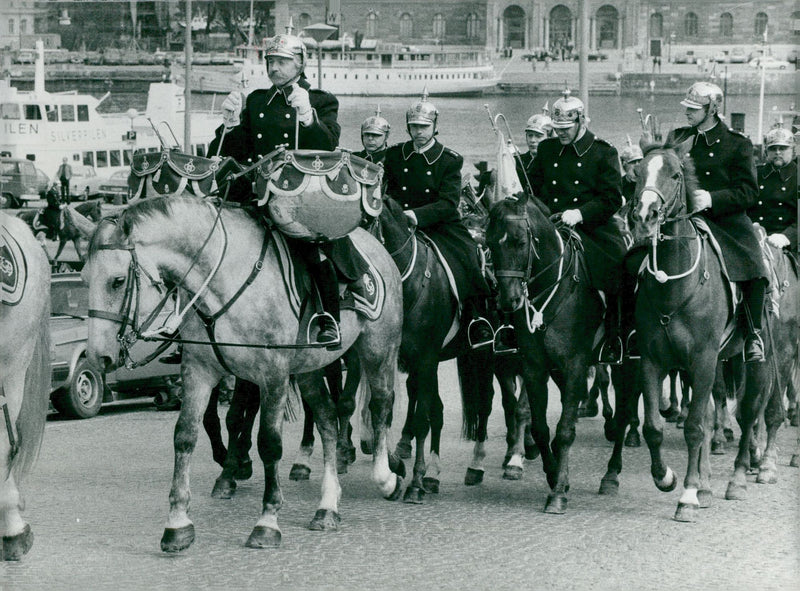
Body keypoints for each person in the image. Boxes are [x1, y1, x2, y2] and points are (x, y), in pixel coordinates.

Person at [207, 28, 366, 348]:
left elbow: (328, 146)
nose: (274, 68)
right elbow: (229, 153)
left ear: (300, 64)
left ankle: (329, 318)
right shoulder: (256, 100)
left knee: (309, 247)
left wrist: (308, 118)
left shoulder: (321, 100)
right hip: (254, 191)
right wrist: (229, 124)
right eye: (270, 61)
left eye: (282, 61)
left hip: (295, 194)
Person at [382, 91, 494, 348]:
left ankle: (477, 319)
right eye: (414, 127)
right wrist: (396, 213)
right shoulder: (396, 154)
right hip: (398, 222)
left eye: (424, 127)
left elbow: (447, 203)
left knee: (468, 257)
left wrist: (416, 215)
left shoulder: (449, 159)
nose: (418, 132)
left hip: (439, 225)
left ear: (434, 127)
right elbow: (388, 191)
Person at [526, 91, 630, 363]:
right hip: (551, 224)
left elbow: (611, 198)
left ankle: (615, 336)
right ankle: (513, 330)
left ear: (581, 121)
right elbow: (533, 188)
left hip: (593, 228)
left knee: (620, 269)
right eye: (556, 128)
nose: (559, 133)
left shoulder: (603, 151)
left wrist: (581, 213)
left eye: (565, 128)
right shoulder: (548, 149)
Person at [667, 81, 769, 362]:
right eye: (687, 108)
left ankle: (752, 334)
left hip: (724, 222)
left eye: (693, 108)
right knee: (637, 260)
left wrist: (712, 198)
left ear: (711, 109)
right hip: (680, 218)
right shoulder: (676, 138)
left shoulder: (737, 144)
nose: (687, 113)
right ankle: (631, 331)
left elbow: (749, 192)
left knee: (754, 265)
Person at [749, 127, 797, 253]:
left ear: (793, 151)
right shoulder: (755, 174)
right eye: (773, 148)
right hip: (753, 237)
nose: (777, 152)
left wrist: (788, 236)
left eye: (783, 148)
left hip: (786, 243)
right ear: (766, 152)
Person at [516, 112, 553, 195]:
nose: (532, 140)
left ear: (549, 138)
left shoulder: (554, 164)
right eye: (530, 135)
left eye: (538, 136)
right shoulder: (516, 162)